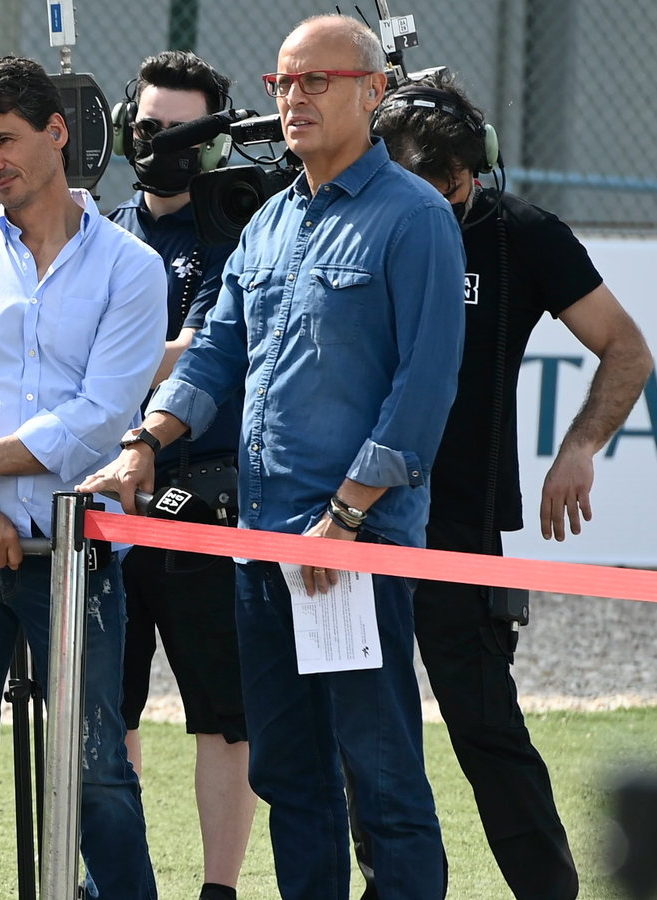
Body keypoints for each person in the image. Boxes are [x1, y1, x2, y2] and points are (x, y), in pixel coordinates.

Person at [80, 15, 465, 900]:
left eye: (314, 80)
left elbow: (424, 387)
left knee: (382, 777)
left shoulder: (414, 219)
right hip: (260, 548)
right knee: (287, 773)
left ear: (372, 91)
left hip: (351, 550)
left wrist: (346, 515)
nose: (293, 99)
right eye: (280, 83)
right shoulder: (271, 223)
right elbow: (215, 352)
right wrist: (146, 442)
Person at [350, 70, 654, 900]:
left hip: (460, 526)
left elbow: (627, 350)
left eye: (449, 191)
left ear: (477, 168)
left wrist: (580, 446)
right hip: (349, 522)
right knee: (364, 735)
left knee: (488, 732)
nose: (438, 208)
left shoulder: (523, 234)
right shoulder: (345, 222)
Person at [0, 54, 167, 900]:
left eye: (4, 140)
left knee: (100, 781)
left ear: (59, 132)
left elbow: (102, 411)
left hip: (77, 558)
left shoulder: (130, 266)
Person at [106, 50, 256, 900]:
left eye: (178, 131)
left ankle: (218, 890)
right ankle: (121, 882)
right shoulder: (99, 227)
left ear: (212, 141)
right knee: (109, 712)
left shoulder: (240, 228)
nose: (156, 143)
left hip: (206, 495)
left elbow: (204, 352)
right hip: (107, 497)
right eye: (146, 127)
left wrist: (111, 371)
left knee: (222, 720)